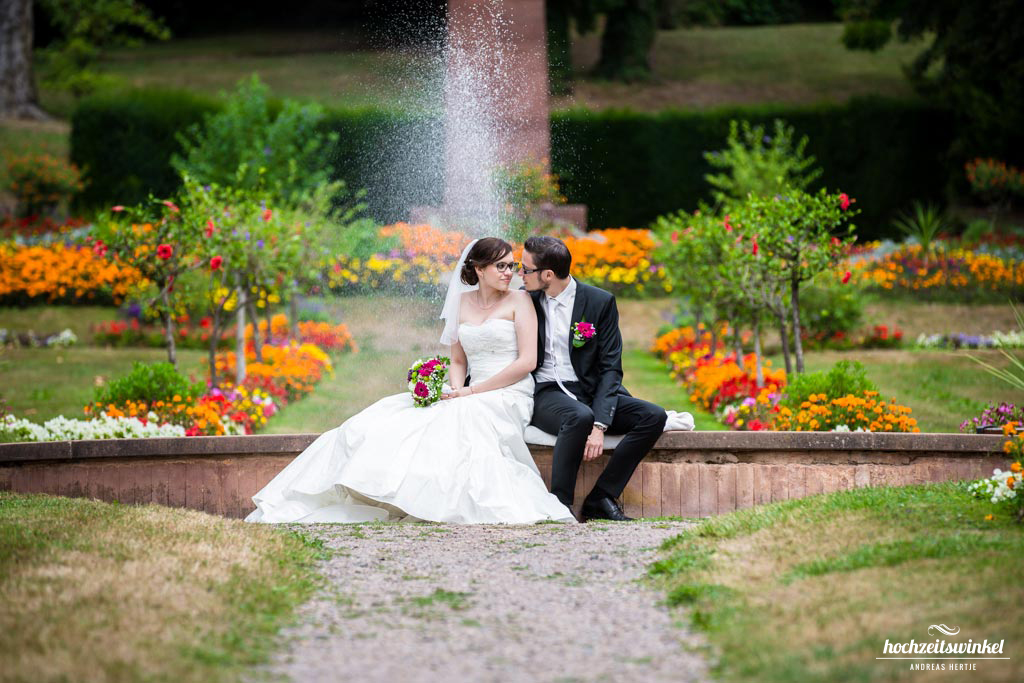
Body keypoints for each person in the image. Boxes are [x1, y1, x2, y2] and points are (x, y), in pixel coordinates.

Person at [245, 237, 575, 524]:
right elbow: (458, 359)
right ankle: (378, 487)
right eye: (501, 266)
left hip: (509, 391)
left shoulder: (520, 300)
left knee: (463, 417)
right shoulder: (462, 303)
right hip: (469, 390)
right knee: (390, 414)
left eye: (511, 266)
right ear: (478, 268)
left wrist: (470, 392)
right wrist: (455, 387)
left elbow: (526, 362)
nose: (509, 273)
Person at [521, 236, 667, 522]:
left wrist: (601, 424)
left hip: (588, 389)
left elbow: (611, 367)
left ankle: (601, 496)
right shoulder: (525, 300)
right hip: (546, 391)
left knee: (653, 416)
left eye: (525, 269)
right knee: (578, 416)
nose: (520, 274)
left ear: (547, 275)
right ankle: (560, 504)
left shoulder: (600, 302)